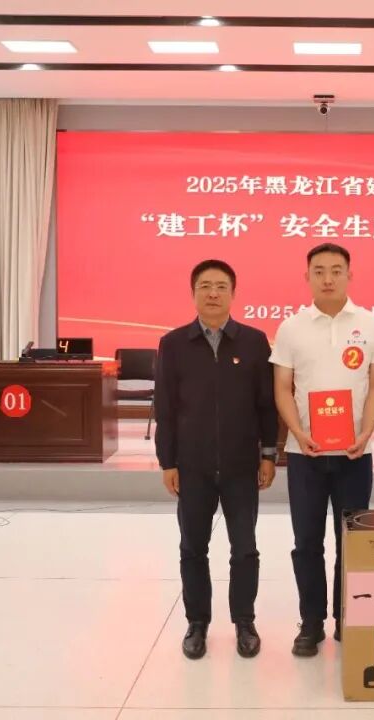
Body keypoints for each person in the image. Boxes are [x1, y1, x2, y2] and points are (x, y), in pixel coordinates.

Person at [270, 242, 374, 657]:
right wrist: (297, 432)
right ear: (306, 277)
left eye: (336, 271)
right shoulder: (291, 328)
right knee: (306, 541)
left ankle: (347, 618)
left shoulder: (373, 325)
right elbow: (282, 388)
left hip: (355, 454)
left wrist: (367, 431)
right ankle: (310, 623)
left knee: (351, 541)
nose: (328, 278)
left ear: (349, 275)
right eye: (319, 271)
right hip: (304, 454)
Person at [155, 259, 278, 660]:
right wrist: (167, 462)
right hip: (192, 467)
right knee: (193, 548)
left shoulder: (254, 342)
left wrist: (268, 454)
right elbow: (165, 408)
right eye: (205, 286)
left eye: (221, 286)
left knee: (245, 549)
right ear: (193, 293)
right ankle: (197, 622)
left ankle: (244, 621)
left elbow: (266, 404)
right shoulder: (174, 344)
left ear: (233, 293)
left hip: (242, 467)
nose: (213, 293)